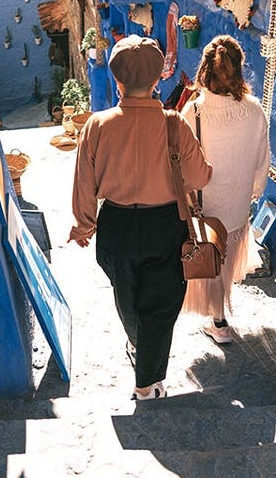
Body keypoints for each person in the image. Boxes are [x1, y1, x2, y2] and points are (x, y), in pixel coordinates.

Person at [68, 35, 213, 401]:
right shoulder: (174, 124)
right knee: (161, 306)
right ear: (158, 79)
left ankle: (139, 349)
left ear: (118, 81)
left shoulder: (97, 125)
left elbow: (84, 182)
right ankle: (147, 383)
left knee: (127, 297)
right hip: (166, 225)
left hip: (116, 226)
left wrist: (84, 224)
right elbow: (199, 178)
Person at [179, 35, 270, 344]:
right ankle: (218, 318)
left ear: (205, 68)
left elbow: (182, 161)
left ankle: (218, 322)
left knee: (211, 260)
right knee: (225, 263)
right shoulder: (254, 109)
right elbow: (262, 159)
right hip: (236, 205)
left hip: (205, 206)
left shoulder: (193, 112)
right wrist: (253, 190)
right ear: (238, 68)